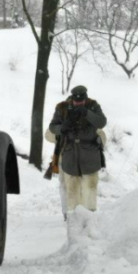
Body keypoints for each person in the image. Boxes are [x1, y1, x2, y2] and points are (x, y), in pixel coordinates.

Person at [47, 85, 107, 217]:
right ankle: (73, 217)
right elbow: (52, 127)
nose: (78, 103)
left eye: (81, 101)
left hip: (90, 152)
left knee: (90, 187)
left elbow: (102, 122)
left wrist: (87, 113)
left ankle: (91, 215)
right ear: (72, 99)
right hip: (70, 153)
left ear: (85, 99)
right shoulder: (62, 108)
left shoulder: (93, 105)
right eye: (76, 101)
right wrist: (62, 127)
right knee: (72, 189)